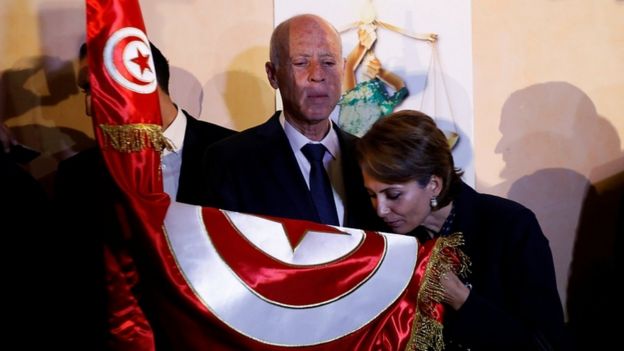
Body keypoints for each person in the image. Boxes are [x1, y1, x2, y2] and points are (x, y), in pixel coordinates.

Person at [53, 41, 234, 349]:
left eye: (92, 88)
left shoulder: (237, 156)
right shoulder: (76, 176)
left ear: (138, 77)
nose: (86, 107)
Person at [356, 110, 564, 350]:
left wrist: (461, 299)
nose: (381, 209)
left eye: (393, 195)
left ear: (434, 184)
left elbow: (545, 343)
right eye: (372, 195)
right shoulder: (381, 236)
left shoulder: (511, 226)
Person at [200, 14, 383, 231]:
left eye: (328, 62)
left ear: (343, 68)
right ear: (273, 74)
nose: (317, 75)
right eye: (301, 63)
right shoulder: (228, 162)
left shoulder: (370, 158)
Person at [338, 23, 408, 137]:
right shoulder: (383, 108)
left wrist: (362, 46)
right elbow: (401, 88)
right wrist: (381, 73)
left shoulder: (352, 103)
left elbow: (348, 67)